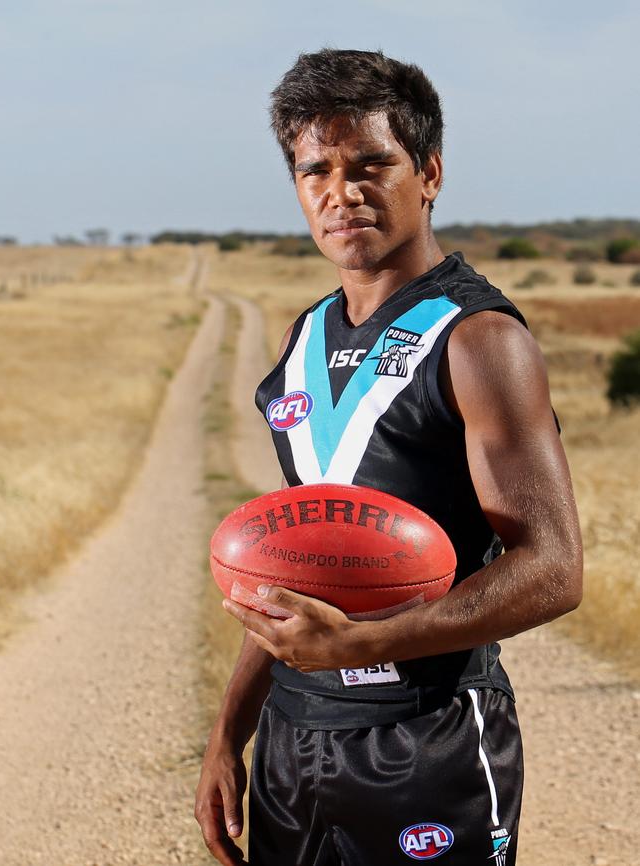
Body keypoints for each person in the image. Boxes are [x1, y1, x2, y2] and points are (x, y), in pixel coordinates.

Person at [194, 48, 583, 866]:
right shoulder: (304, 340)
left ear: (429, 172)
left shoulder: (480, 341)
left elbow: (553, 568)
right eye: (316, 171)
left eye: (373, 163)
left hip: (427, 735)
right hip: (295, 737)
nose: (344, 192)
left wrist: (362, 646)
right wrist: (230, 732)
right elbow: (291, 560)